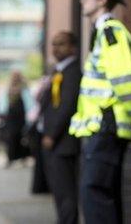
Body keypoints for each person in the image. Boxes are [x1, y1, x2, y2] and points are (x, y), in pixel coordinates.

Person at [69, 0, 131, 224]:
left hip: (105, 128)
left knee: (95, 195)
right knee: (102, 195)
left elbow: (126, 83)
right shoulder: (104, 33)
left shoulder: (112, 33)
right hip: (101, 129)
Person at [40, 31, 81, 224]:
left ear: (73, 47)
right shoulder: (57, 72)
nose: (56, 48)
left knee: (65, 193)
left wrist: (51, 134)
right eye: (53, 44)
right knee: (58, 191)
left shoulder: (72, 72)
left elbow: (66, 106)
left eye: (61, 44)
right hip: (54, 143)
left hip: (63, 143)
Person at [2, 71, 30, 166]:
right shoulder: (9, 86)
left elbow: (28, 100)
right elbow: (5, 101)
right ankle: (10, 158)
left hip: (20, 116)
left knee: (20, 137)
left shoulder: (23, 86)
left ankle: (22, 157)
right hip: (11, 116)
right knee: (11, 137)